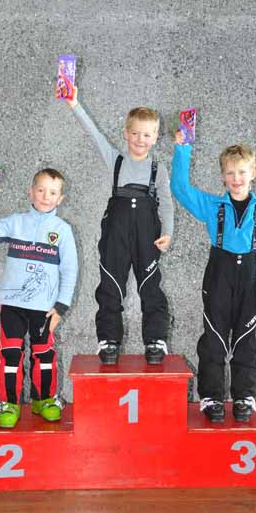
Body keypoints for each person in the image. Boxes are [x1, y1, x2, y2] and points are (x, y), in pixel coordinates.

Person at [171, 133, 256, 422]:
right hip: (219, 275)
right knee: (214, 338)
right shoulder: (213, 206)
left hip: (251, 280)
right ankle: (211, 397)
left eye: (242, 172)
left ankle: (245, 396)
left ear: (253, 173)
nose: (236, 178)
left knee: (246, 339)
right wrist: (182, 149)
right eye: (230, 173)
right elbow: (180, 189)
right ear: (222, 177)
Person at [65, 87, 174, 365]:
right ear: (126, 133)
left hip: (147, 234)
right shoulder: (116, 160)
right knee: (111, 284)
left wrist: (167, 232)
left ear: (155, 137)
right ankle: (108, 340)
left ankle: (156, 340)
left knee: (150, 285)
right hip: (116, 231)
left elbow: (166, 203)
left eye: (146, 135)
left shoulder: (158, 170)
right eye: (135, 133)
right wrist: (74, 103)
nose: (140, 139)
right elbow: (93, 134)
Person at [0, 168, 78, 428]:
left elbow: (70, 270)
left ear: (60, 198)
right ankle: (9, 403)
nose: (45, 196)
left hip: (45, 308)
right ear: (31, 193)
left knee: (44, 354)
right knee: (10, 354)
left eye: (52, 192)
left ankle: (45, 400)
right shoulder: (16, 222)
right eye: (40, 190)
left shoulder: (63, 230)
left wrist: (60, 308)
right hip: (12, 305)